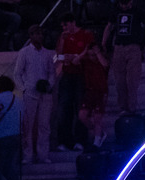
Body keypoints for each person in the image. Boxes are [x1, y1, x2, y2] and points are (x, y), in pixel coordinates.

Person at [14, 25, 55, 164]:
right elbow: (17, 73)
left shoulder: (48, 53)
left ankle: (43, 155)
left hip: (45, 94)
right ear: (30, 36)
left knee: (44, 125)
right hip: (30, 93)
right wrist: (24, 89)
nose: (39, 36)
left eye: (41, 34)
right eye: (36, 34)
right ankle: (28, 156)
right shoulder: (24, 52)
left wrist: (49, 85)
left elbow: (52, 72)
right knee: (28, 125)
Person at [54, 13, 94, 152]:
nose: (64, 28)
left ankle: (80, 140)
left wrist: (78, 57)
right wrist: (63, 43)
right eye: (63, 26)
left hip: (82, 75)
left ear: (72, 22)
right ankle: (64, 141)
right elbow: (57, 55)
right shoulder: (63, 37)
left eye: (66, 24)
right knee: (64, 109)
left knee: (80, 108)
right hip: (67, 75)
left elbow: (90, 50)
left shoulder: (85, 34)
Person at [103, 0, 145, 114]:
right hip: (118, 47)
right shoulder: (115, 10)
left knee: (132, 80)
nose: (123, 6)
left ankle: (132, 107)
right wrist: (104, 42)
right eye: (122, 4)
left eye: (125, 4)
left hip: (133, 46)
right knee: (119, 80)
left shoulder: (138, 11)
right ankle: (122, 107)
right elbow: (109, 26)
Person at [77, 43, 109, 147]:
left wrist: (98, 52)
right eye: (91, 55)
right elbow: (75, 61)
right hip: (89, 91)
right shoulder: (86, 62)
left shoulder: (101, 61)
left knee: (97, 117)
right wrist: (85, 52)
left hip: (101, 91)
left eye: (94, 55)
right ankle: (97, 131)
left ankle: (97, 139)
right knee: (82, 115)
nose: (93, 57)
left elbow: (105, 64)